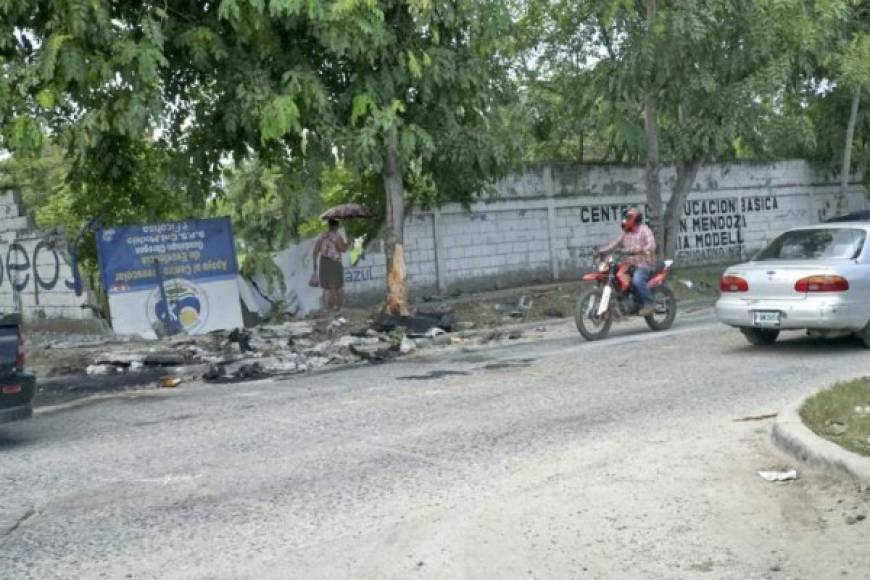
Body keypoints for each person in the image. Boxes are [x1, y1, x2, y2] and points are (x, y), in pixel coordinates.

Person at [599, 207, 657, 316]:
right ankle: (623, 302)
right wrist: (601, 251)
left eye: (627, 218)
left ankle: (649, 304)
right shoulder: (626, 233)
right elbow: (615, 244)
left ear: (634, 219)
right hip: (629, 264)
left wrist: (642, 250)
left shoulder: (644, 230)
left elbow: (651, 244)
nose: (625, 220)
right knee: (616, 278)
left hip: (643, 264)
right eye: (625, 218)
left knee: (637, 281)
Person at [313, 219, 350, 312]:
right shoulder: (337, 236)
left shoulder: (322, 236)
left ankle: (328, 309)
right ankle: (339, 308)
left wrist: (315, 265)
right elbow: (342, 249)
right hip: (335, 263)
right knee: (338, 287)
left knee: (326, 288)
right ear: (336, 226)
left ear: (329, 226)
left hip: (324, 263)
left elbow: (315, 251)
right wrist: (348, 243)